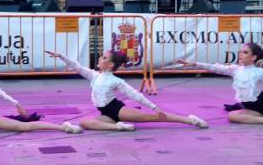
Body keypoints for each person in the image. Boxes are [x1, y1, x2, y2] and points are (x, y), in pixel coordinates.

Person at [46, 50, 208, 131]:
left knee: (154, 118)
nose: (100, 59)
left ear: (110, 65)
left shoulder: (115, 80)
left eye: (103, 58)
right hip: (106, 114)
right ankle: (119, 127)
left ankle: (190, 120)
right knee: (84, 123)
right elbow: (77, 66)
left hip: (117, 109)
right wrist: (61, 56)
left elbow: (134, 94)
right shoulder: (94, 76)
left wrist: (154, 107)